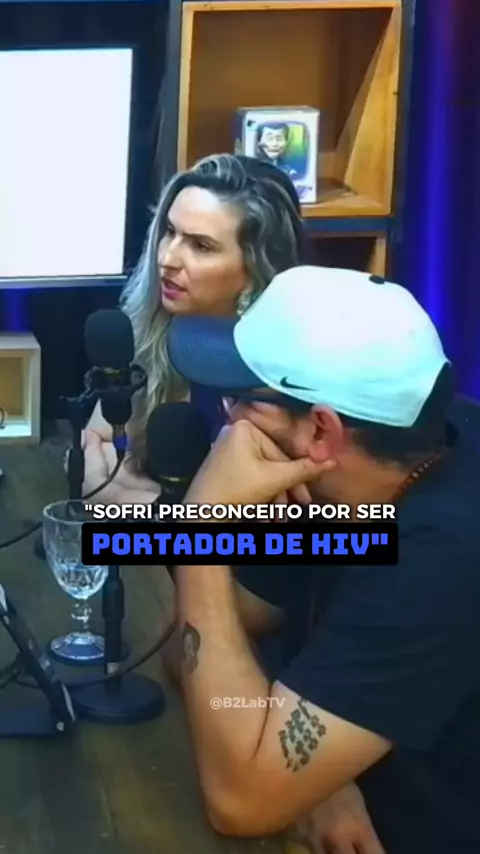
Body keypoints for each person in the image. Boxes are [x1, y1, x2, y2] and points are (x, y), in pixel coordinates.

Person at [163, 265, 480, 854]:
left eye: (241, 398)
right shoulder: (370, 460)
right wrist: (315, 777)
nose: (227, 423)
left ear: (321, 430)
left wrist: (202, 529)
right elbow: (190, 650)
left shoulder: (442, 557)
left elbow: (240, 801)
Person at [81, 153, 304, 505]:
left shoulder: (284, 380)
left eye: (201, 246)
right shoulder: (157, 329)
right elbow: (95, 443)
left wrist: (130, 501)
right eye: (170, 232)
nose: (167, 258)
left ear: (254, 269)